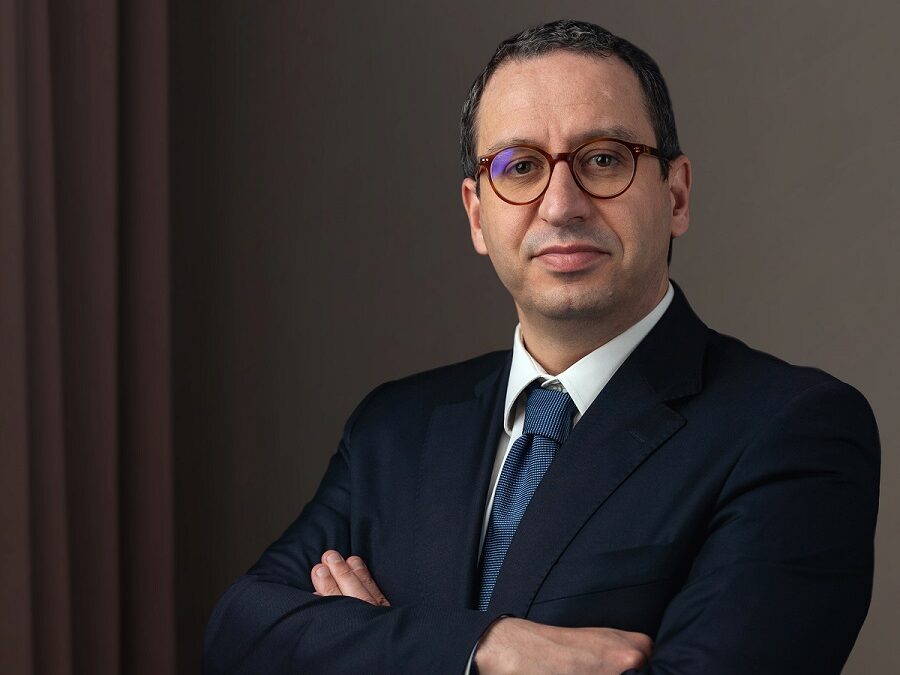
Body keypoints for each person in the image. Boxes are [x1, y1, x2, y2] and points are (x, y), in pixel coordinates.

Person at [202, 19, 880, 674]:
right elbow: (239, 635)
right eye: (520, 165)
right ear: (477, 213)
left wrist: (369, 644)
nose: (561, 204)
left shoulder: (794, 429)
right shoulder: (393, 428)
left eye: (605, 159)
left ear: (676, 195)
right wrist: (484, 650)